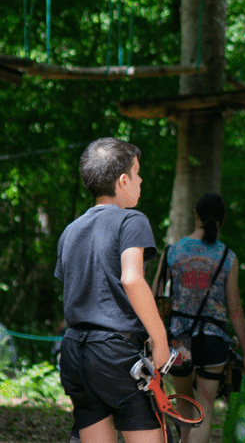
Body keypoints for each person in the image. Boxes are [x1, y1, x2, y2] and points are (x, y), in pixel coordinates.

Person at [55, 137, 167, 443]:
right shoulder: (132, 220)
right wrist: (160, 340)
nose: (140, 179)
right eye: (137, 172)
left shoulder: (71, 230)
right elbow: (132, 279)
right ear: (123, 180)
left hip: (75, 351)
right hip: (115, 353)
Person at [166, 192, 245, 443]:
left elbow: (156, 297)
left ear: (195, 215)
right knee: (204, 408)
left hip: (180, 340)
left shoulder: (173, 252)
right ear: (222, 219)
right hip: (213, 340)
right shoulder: (227, 257)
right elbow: (235, 310)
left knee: (183, 407)